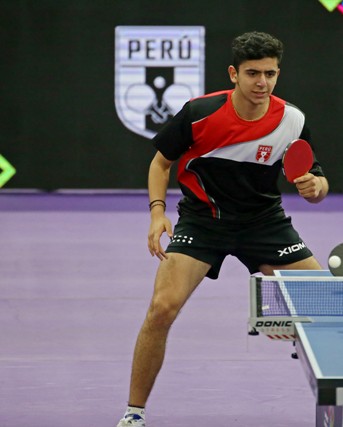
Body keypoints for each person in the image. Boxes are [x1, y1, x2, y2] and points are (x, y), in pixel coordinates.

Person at [116, 31, 329, 427]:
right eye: (253, 73)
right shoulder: (199, 113)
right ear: (234, 74)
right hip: (203, 221)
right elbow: (161, 162)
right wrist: (157, 212)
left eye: (270, 74)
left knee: (326, 305)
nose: (262, 83)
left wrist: (316, 187)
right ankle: (133, 413)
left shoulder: (292, 120)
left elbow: (316, 181)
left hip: (264, 223)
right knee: (161, 309)